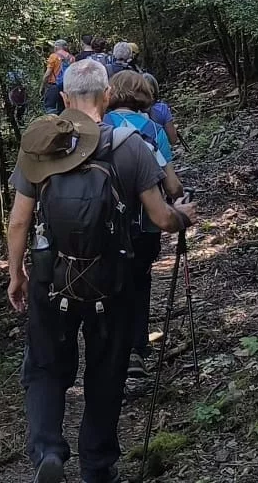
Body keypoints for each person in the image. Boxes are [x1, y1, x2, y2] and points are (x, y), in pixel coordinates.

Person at [8, 60, 197, 483]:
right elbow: (161, 218)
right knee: (106, 371)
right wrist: (183, 216)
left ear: (63, 97)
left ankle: (47, 453)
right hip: (111, 280)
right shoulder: (128, 145)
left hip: (50, 278)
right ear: (107, 96)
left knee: (43, 367)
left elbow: (19, 220)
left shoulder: (39, 144)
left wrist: (16, 273)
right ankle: (97, 466)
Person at [105, 70, 180, 377]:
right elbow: (173, 186)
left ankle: (110, 350)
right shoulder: (153, 129)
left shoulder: (100, 126)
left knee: (110, 283)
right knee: (140, 280)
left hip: (106, 223)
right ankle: (136, 348)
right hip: (145, 224)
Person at [41, 39, 73, 114]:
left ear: (56, 47)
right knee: (63, 109)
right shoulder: (71, 58)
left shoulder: (53, 56)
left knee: (50, 108)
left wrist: (42, 85)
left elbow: (48, 73)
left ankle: (52, 124)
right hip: (66, 87)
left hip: (54, 86)